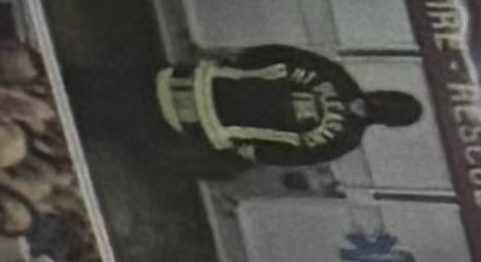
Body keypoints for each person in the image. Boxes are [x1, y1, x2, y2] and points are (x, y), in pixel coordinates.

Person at [153, 44, 429, 171]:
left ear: (385, 121)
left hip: (214, 128)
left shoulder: (345, 139)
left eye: (385, 109)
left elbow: (292, 156)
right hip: (209, 84)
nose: (374, 104)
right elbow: (283, 55)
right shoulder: (336, 76)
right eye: (385, 98)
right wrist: (235, 56)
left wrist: (252, 152)